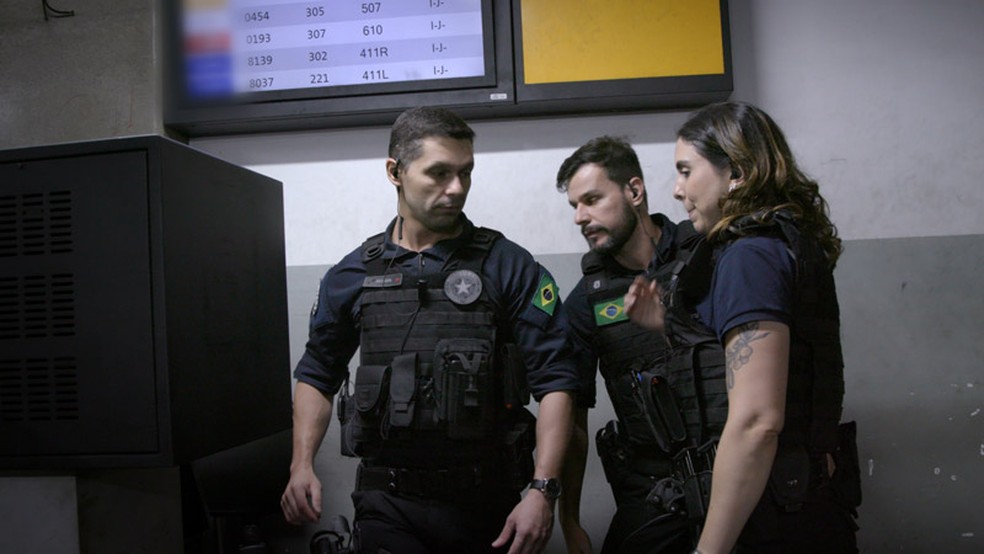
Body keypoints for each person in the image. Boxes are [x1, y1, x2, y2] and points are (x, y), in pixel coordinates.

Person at [280, 106, 578, 554]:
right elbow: (317, 375)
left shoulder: (507, 265)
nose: (456, 189)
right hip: (388, 502)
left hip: (486, 504)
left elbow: (557, 381)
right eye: (438, 173)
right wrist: (300, 464)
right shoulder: (351, 275)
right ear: (395, 172)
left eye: (465, 173)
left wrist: (543, 490)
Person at [625, 102, 861, 553]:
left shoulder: (750, 255)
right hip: (796, 509)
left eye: (686, 171)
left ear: (734, 171)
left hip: (771, 523)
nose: (677, 191)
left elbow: (756, 422)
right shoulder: (780, 243)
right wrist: (670, 325)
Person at [554, 136, 695, 554]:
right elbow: (573, 421)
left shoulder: (705, 256)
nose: (581, 217)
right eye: (575, 207)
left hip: (733, 466)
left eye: (592, 200)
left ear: (634, 191)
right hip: (654, 486)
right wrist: (570, 519)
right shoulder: (586, 302)